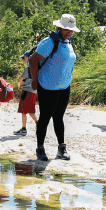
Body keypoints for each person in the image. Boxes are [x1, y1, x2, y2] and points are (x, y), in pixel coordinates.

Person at [29, 14, 79, 161]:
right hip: (47, 86)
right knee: (44, 118)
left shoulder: (68, 43)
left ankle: (61, 149)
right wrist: (34, 81)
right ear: (59, 27)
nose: (69, 32)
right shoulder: (49, 42)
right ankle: (40, 148)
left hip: (64, 87)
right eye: (66, 29)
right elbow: (33, 61)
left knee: (59, 117)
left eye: (71, 29)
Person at [14, 50, 37, 135]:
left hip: (26, 91)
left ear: (28, 58)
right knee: (30, 110)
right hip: (34, 91)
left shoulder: (27, 69)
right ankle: (34, 124)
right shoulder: (37, 69)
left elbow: (20, 79)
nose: (24, 60)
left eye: (25, 58)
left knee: (24, 110)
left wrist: (19, 85)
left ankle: (25, 128)